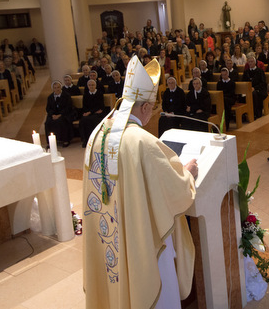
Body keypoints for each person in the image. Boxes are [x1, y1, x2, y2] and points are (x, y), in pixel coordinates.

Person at [83, 57, 197, 309]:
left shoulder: (97, 134)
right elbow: (174, 190)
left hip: (108, 233)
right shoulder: (142, 142)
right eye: (152, 108)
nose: (152, 113)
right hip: (140, 238)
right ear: (144, 107)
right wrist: (188, 174)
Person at [44, 81, 75, 147]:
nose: (57, 89)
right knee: (48, 123)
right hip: (53, 115)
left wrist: (60, 115)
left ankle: (65, 140)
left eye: (58, 87)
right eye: (55, 88)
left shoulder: (66, 95)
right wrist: (52, 115)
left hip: (64, 114)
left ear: (60, 87)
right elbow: (48, 108)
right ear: (53, 89)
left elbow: (68, 107)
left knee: (61, 121)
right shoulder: (50, 97)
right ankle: (51, 141)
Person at [79, 79, 106, 148]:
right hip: (90, 113)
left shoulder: (99, 94)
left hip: (97, 113)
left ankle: (95, 140)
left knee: (92, 120)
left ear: (95, 86)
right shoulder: (86, 95)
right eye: (89, 85)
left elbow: (100, 106)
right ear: (87, 86)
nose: (91, 86)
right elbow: (84, 106)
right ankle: (86, 140)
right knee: (83, 120)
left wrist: (90, 112)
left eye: (93, 85)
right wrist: (87, 112)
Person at [242, 54, 267, 119]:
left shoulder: (260, 71)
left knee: (254, 94)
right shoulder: (246, 72)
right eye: (249, 62)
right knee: (241, 95)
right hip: (248, 89)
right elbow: (243, 82)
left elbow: (263, 83)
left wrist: (254, 88)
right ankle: (244, 114)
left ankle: (256, 113)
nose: (250, 63)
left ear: (255, 62)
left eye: (252, 61)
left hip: (259, 89)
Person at [217, 67, 236, 131]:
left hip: (230, 99)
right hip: (222, 99)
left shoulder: (232, 83)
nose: (224, 76)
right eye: (222, 75)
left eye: (225, 75)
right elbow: (218, 92)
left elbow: (231, 93)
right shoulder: (219, 83)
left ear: (228, 74)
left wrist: (222, 96)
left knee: (225, 103)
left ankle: (227, 123)